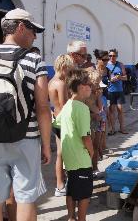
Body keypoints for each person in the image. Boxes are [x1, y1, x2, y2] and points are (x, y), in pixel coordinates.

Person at [0, 8, 51, 220]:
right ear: (20, 27)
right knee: (26, 197)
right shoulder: (34, 61)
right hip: (25, 139)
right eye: (33, 30)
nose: (35, 35)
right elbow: (43, 107)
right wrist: (46, 145)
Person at [53, 68, 94, 221]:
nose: (91, 88)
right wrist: (91, 153)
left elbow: (56, 123)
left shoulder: (68, 105)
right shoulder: (82, 109)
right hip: (81, 159)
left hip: (69, 159)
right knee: (84, 194)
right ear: (82, 86)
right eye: (90, 85)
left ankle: (71, 217)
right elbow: (86, 137)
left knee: (71, 190)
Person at [48, 54, 74, 196]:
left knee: (60, 153)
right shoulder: (61, 83)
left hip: (56, 120)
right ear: (64, 67)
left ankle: (60, 184)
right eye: (69, 70)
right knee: (62, 154)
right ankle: (60, 184)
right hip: (63, 122)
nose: (70, 73)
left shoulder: (51, 81)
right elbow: (65, 106)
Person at [85, 70, 102, 178]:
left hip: (97, 120)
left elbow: (100, 107)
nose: (97, 85)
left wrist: (99, 96)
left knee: (96, 145)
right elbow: (81, 109)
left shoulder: (96, 92)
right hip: (88, 120)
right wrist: (92, 115)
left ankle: (95, 167)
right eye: (95, 83)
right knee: (88, 147)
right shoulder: (85, 93)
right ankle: (88, 169)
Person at [106, 49, 128, 135]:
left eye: (114, 56)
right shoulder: (106, 65)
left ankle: (122, 128)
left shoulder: (120, 64)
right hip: (110, 91)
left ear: (116, 56)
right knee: (111, 110)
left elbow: (125, 77)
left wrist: (119, 78)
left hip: (119, 91)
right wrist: (110, 79)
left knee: (120, 110)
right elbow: (104, 78)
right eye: (110, 56)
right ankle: (112, 129)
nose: (112, 57)